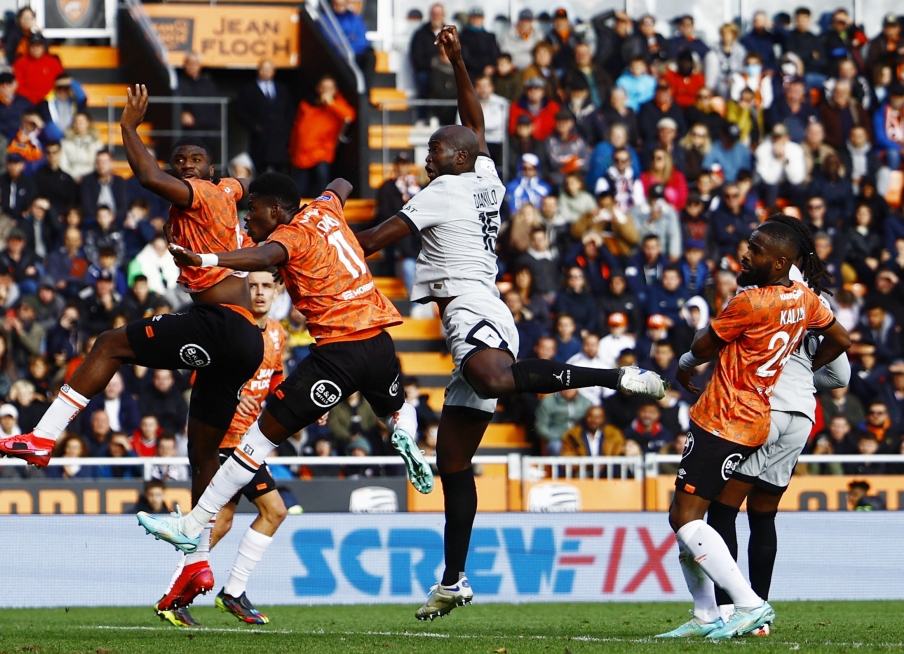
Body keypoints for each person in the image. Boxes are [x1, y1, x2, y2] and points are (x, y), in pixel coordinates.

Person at [344, 27, 666, 620]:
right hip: (486, 305)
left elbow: (371, 240)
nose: (428, 155)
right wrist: (461, 61)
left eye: (436, 149)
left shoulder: (442, 192)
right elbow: (475, 122)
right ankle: (455, 580)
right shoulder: (485, 176)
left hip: (472, 306)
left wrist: (315, 231)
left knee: (495, 380)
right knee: (452, 463)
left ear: (455, 160)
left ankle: (611, 377)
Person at [0, 86, 266, 538]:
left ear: (209, 171)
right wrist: (262, 194)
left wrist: (127, 127)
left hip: (222, 325)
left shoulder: (203, 194)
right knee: (202, 454)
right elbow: (248, 183)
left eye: (195, 160)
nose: (187, 166)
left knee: (109, 344)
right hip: (243, 340)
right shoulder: (223, 192)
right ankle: (195, 558)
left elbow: (150, 178)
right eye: (181, 161)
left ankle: (42, 436)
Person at [145, 163, 425, 555]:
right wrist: (332, 209)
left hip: (338, 353)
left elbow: (262, 256)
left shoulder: (290, 236)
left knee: (255, 442)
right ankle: (407, 436)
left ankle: (192, 524)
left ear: (275, 211)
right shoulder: (326, 209)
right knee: (395, 409)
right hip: (379, 343)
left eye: (254, 209)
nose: (248, 216)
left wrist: (207, 260)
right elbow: (342, 180)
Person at [658, 217, 850, 639]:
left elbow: (702, 346)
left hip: (731, 414)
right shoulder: (808, 300)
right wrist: (805, 374)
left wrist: (686, 364)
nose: (746, 254)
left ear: (781, 262)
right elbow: (843, 362)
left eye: (756, 249)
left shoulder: (751, 301)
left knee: (703, 515)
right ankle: (712, 613)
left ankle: (742, 607)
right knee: (755, 516)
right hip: (790, 413)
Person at [706, 251, 852, 631]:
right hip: (802, 417)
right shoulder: (816, 305)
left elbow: (715, 345)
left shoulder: (756, 299)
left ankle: (731, 610)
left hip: (764, 412)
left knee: (722, 508)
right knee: (763, 513)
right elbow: (841, 376)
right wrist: (805, 378)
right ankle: (760, 613)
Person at [155, 268, 289, 627]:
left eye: (266, 286)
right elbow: (201, 379)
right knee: (274, 511)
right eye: (253, 286)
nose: (259, 293)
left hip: (249, 440)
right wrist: (235, 393)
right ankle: (231, 593)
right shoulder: (231, 330)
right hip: (226, 440)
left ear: (278, 290)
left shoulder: (277, 335)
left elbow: (276, 378)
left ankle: (175, 596)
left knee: (223, 522)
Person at [287, 76, 355, 198]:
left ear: (335, 90)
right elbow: (297, 128)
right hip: (302, 153)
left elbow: (349, 116)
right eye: (323, 87)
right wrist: (292, 149)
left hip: (322, 152)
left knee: (321, 185)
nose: (326, 90)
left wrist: (331, 103)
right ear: (318, 89)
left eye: (329, 88)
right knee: (300, 189)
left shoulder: (338, 104)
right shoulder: (307, 104)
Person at [236, 60, 291, 176]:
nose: (266, 72)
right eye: (263, 69)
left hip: (279, 138)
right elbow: (241, 111)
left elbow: (289, 111)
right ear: (258, 71)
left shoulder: (282, 89)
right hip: (259, 138)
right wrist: (255, 127)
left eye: (269, 69)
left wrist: (285, 128)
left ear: (274, 71)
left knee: (280, 170)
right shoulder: (248, 89)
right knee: (260, 170)